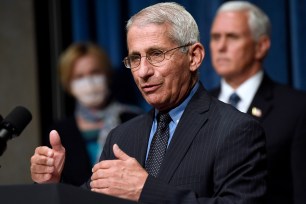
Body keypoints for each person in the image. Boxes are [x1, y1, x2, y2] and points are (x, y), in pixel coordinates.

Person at [30, 2, 267, 203]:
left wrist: (146, 191)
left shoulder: (236, 130)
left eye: (156, 54)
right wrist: (54, 186)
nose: (143, 72)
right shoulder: (121, 137)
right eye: (135, 58)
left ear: (193, 57)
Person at [209, 1, 306, 203]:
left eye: (232, 37)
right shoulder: (196, 106)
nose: (221, 46)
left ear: (261, 46)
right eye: (215, 37)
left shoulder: (297, 108)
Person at [47, 42, 143, 186]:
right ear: (68, 84)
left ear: (107, 75)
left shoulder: (135, 119)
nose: (89, 82)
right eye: (79, 76)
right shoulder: (59, 132)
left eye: (95, 72)